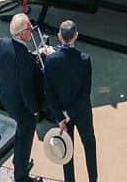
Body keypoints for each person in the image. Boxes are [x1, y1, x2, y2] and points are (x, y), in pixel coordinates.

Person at [0, 12, 43, 182]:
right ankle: (21, 175)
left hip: (7, 99)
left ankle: (19, 161)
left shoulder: (2, 44)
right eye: (29, 28)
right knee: (24, 136)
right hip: (21, 107)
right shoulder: (25, 59)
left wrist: (6, 88)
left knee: (21, 133)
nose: (31, 30)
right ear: (22, 34)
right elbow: (27, 91)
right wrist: (35, 110)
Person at [43, 20, 98, 182]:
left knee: (66, 150)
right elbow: (85, 92)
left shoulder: (51, 60)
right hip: (81, 112)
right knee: (89, 145)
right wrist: (70, 114)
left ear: (59, 37)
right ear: (76, 36)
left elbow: (49, 92)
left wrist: (60, 117)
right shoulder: (84, 60)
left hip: (61, 114)